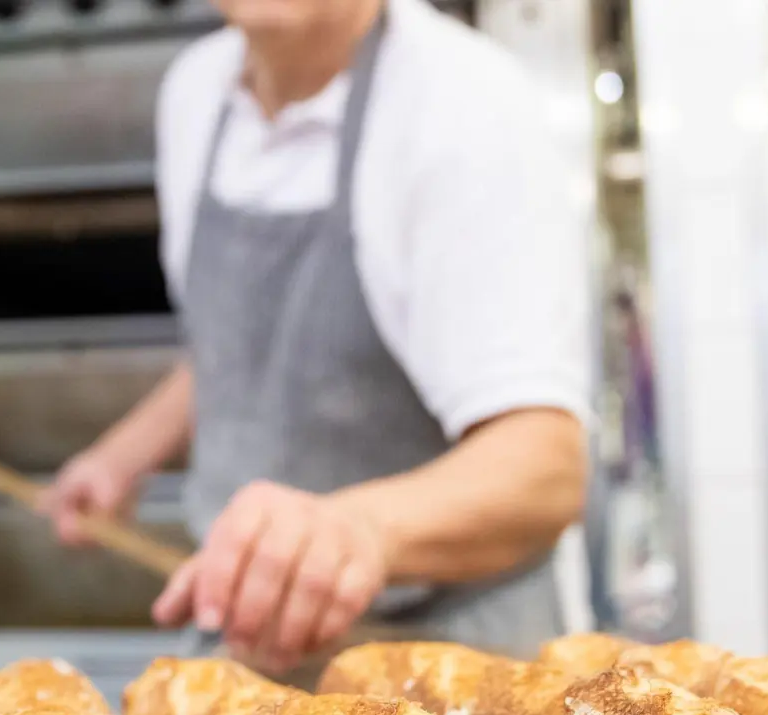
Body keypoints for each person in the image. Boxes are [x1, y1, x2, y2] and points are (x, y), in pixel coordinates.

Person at [43, 0, 590, 678]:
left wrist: (362, 531)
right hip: (248, 651)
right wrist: (125, 454)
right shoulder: (194, 91)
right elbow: (248, 347)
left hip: (446, 671)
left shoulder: (462, 104)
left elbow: (545, 468)